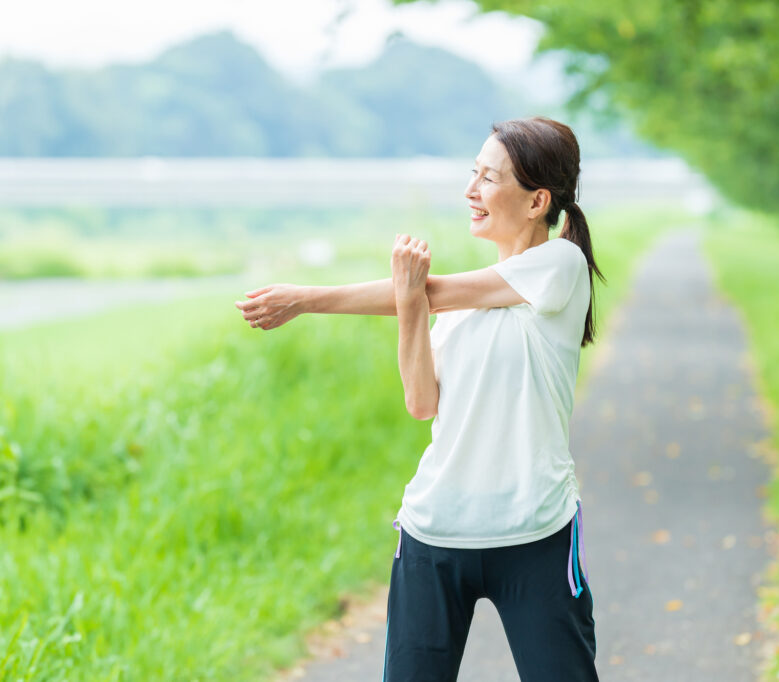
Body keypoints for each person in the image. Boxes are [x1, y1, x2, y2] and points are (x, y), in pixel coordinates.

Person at [234, 116, 604, 681]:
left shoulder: (561, 266)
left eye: (489, 178)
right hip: (435, 532)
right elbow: (421, 402)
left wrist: (307, 298)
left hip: (535, 532)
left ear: (538, 202)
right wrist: (410, 304)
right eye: (473, 173)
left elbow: (435, 290)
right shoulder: (455, 311)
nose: (471, 190)